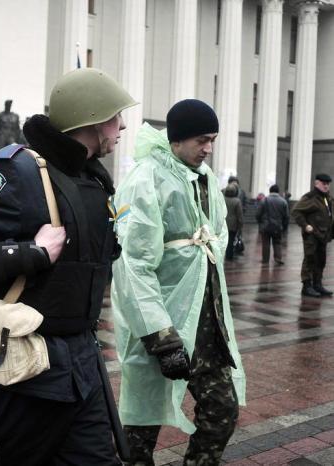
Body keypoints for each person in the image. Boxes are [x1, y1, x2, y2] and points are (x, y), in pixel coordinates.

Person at [0, 67, 137, 465]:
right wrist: (31, 253)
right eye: (114, 115)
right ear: (91, 118)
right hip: (25, 375)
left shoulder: (93, 177)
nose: (121, 125)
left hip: (82, 366)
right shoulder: (15, 171)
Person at [111, 99, 246, 466]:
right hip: (161, 327)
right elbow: (134, 265)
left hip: (206, 326)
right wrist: (160, 336)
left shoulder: (206, 178)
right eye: (202, 139)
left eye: (213, 140)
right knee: (140, 429)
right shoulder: (146, 178)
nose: (208, 148)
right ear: (178, 139)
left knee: (222, 412)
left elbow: (214, 238)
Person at [291, 173, 334, 297]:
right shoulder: (310, 197)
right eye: (324, 184)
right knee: (310, 259)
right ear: (317, 183)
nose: (326, 186)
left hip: (323, 235)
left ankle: (317, 284)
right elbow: (296, 211)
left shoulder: (327, 198)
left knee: (321, 260)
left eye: (328, 184)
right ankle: (307, 286)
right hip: (312, 235)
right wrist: (305, 225)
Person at [256, 184, 289, 266]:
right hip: (278, 226)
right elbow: (286, 216)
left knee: (266, 243)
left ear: (270, 191)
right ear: (278, 191)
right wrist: (284, 226)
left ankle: (265, 259)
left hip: (266, 226)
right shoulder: (283, 201)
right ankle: (278, 258)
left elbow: (258, 214)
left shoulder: (264, 200)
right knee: (277, 242)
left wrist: (260, 222)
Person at [223, 183, 243, 261]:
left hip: (223, 222)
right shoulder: (237, 201)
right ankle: (229, 256)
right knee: (230, 241)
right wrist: (240, 225)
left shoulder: (223, 199)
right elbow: (239, 215)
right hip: (233, 224)